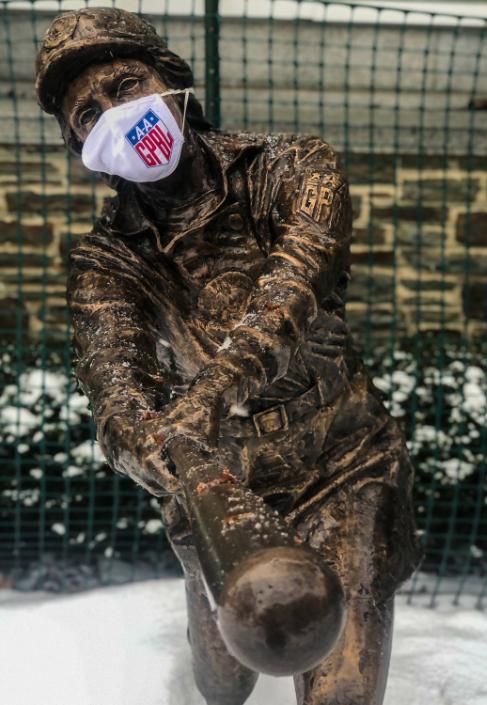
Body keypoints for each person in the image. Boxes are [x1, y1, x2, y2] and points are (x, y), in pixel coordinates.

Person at [35, 8, 421, 705]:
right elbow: (113, 379)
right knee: (223, 675)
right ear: (81, 152)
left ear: (173, 84)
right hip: (226, 482)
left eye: (128, 86)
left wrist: (206, 394)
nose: (117, 116)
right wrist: (153, 446)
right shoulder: (105, 260)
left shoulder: (295, 167)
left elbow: (291, 293)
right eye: (88, 116)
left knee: (343, 687)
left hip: (343, 459)